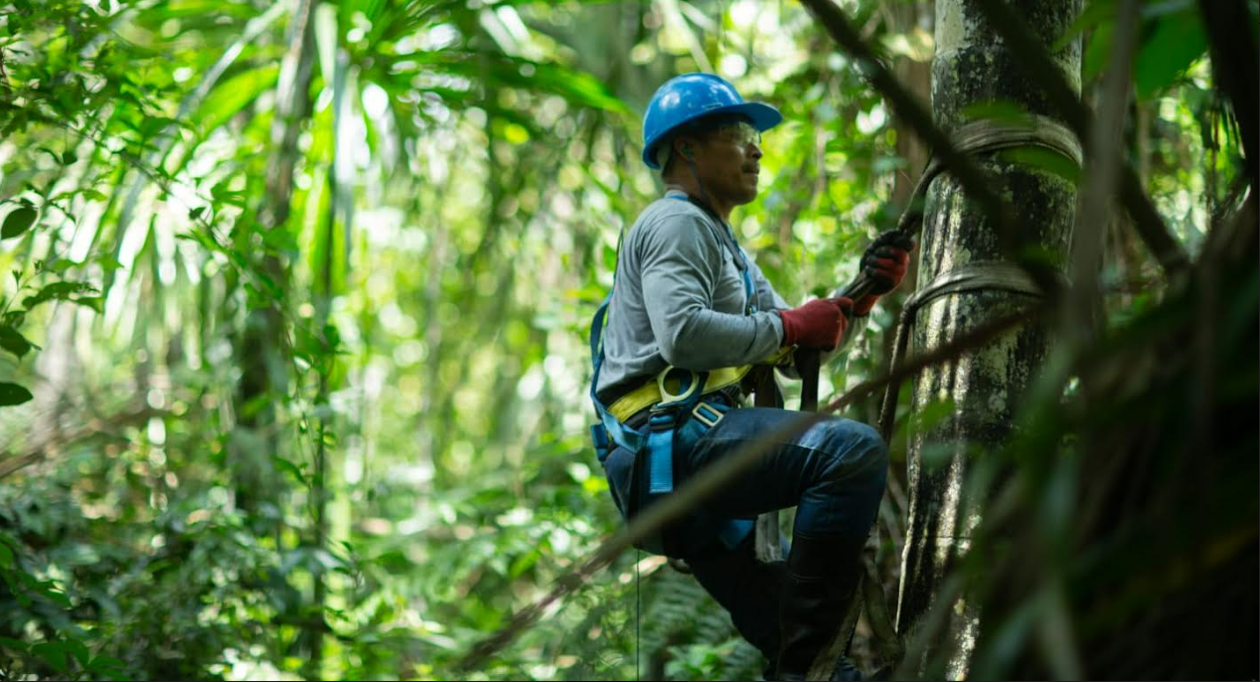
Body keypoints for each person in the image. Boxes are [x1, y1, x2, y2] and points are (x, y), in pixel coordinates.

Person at [587, 73, 913, 681]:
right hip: (675, 446)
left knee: (804, 650)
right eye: (739, 135)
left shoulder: (726, 246)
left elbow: (790, 346)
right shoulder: (675, 224)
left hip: (684, 470)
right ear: (687, 147)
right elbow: (683, 333)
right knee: (848, 453)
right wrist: (791, 327)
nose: (757, 150)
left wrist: (859, 300)